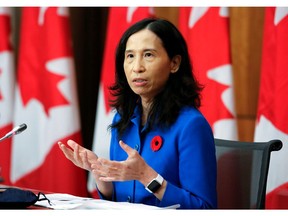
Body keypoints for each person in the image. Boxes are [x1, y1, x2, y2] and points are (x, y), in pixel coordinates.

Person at [58, 17, 217, 209]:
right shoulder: (123, 119)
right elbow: (121, 202)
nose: (137, 67)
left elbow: (204, 208)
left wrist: (147, 177)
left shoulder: (191, 125)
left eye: (148, 55)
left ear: (174, 63)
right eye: (130, 56)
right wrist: (101, 175)